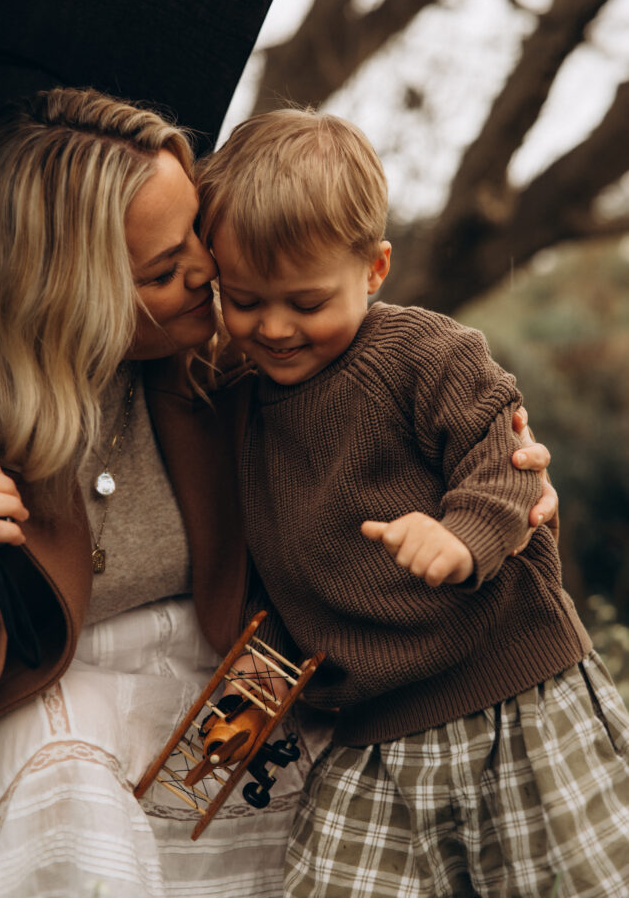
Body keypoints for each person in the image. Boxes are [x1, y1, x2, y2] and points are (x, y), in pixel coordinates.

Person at [0, 88, 555, 898]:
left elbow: (417, 416)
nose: (209, 273)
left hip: (248, 710)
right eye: (165, 269)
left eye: (196, 234)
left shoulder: (239, 369)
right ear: (66, 288)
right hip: (63, 744)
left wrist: (494, 490)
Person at [196, 107, 629, 898]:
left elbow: (505, 458)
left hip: (508, 692)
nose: (275, 327)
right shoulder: (235, 397)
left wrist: (461, 538)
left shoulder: (424, 353)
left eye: (304, 300)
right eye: (244, 300)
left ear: (373, 269)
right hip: (367, 733)